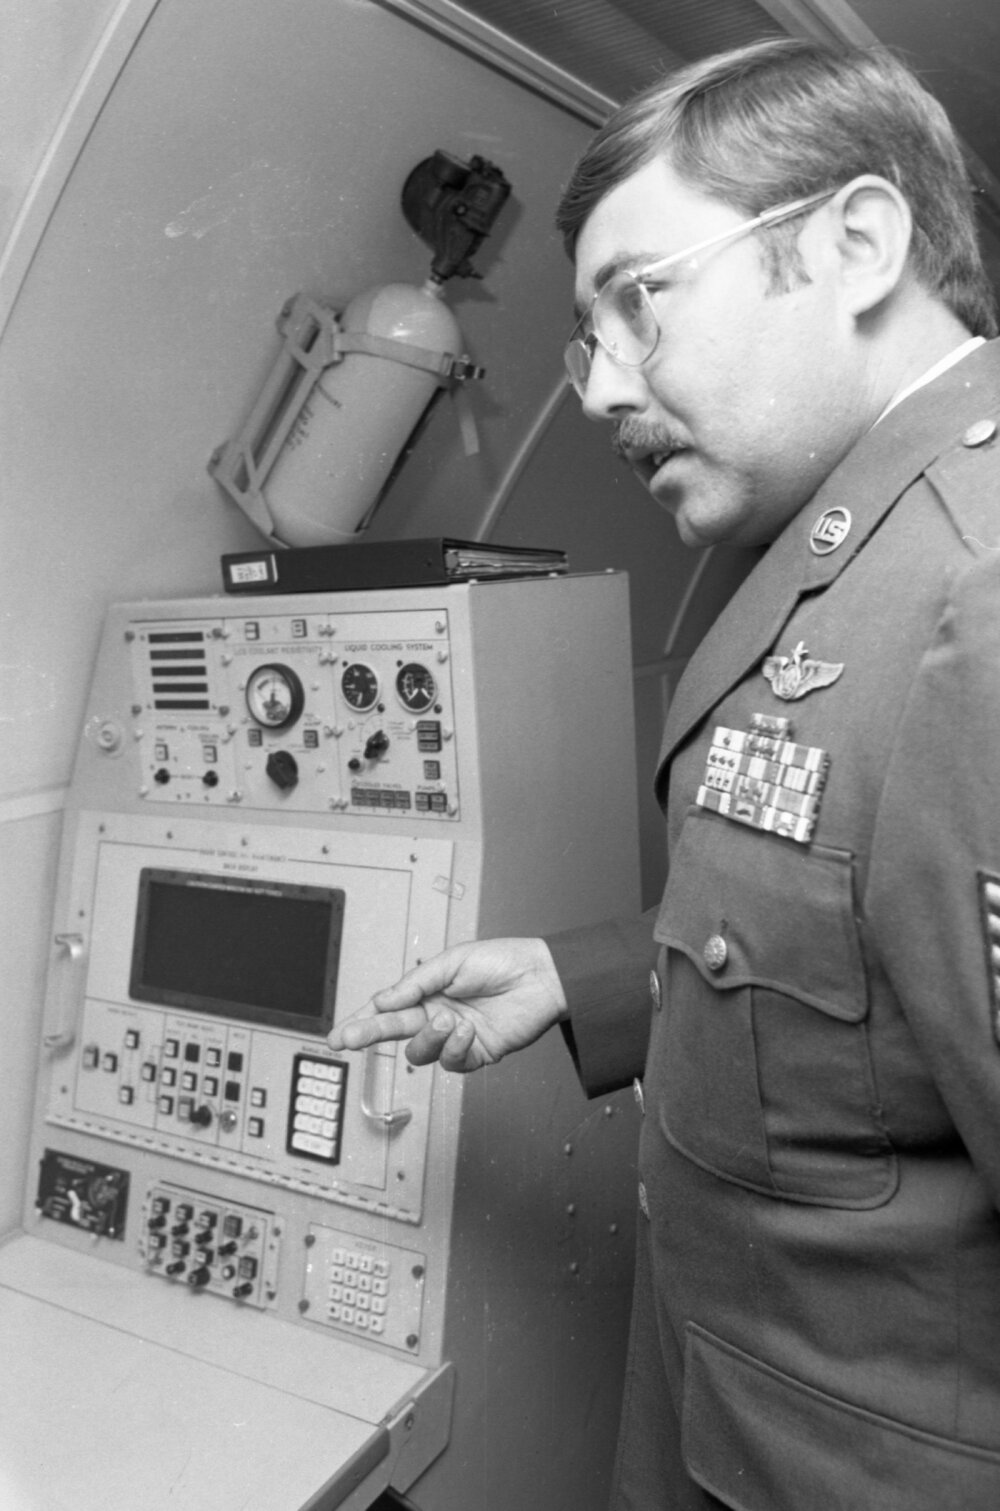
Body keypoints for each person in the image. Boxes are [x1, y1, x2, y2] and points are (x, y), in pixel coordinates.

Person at [329, 37, 1000, 1510]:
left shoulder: (976, 592)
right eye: (587, 339)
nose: (599, 389)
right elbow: (844, 923)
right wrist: (592, 979)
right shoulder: (827, 531)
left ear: (858, 242)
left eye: (641, 302)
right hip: (722, 1406)